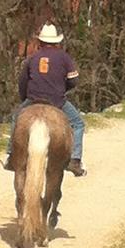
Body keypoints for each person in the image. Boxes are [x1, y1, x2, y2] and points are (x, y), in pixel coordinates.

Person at [16, 21, 85, 174]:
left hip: (33, 99)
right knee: (78, 124)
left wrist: (24, 99)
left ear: (40, 41)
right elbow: (74, 80)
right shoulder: (64, 57)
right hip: (57, 101)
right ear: (56, 42)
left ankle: (11, 155)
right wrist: (63, 88)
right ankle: (75, 160)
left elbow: (22, 82)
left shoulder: (32, 58)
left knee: (16, 118)